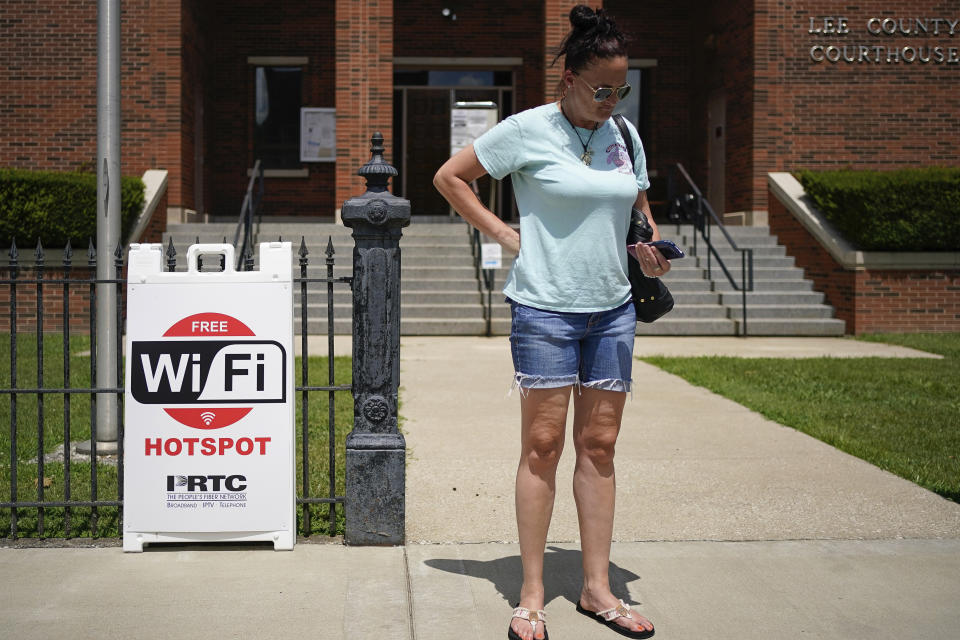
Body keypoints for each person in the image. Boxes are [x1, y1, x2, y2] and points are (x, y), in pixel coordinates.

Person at [434, 5, 668, 640]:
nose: (612, 99)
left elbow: (640, 210)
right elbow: (451, 179)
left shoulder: (625, 134)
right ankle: (531, 593)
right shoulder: (526, 129)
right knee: (542, 447)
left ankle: (597, 590)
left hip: (614, 309)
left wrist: (651, 249)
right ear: (569, 78)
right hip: (544, 307)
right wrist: (510, 236)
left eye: (622, 88)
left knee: (599, 446)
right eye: (601, 88)